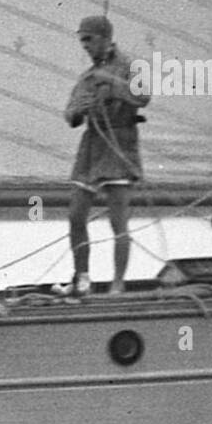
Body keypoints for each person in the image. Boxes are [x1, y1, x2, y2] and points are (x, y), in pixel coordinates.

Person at [59, 15, 151, 296]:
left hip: (120, 144)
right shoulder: (87, 76)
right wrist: (79, 110)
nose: (84, 46)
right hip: (92, 145)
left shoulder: (131, 66)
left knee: (118, 220)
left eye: (88, 39)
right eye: (82, 40)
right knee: (76, 216)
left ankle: (117, 284)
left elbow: (143, 97)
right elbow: (70, 114)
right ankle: (82, 278)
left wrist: (112, 83)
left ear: (104, 38)